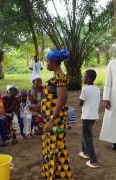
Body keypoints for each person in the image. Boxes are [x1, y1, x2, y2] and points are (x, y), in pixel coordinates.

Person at [40, 48, 73, 179]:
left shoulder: (60, 78)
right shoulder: (56, 78)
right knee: (50, 145)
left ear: (53, 62)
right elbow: (53, 99)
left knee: (56, 146)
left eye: (47, 61)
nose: (46, 64)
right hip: (50, 118)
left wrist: (52, 119)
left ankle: (62, 175)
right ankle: (51, 173)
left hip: (56, 120)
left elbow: (61, 99)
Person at [78, 69, 101, 168]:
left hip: (87, 116)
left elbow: (81, 103)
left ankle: (93, 161)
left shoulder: (85, 89)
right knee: (85, 133)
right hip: (93, 116)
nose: (83, 78)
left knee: (88, 137)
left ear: (89, 79)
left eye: (84, 77)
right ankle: (85, 152)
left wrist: (78, 103)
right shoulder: (97, 89)